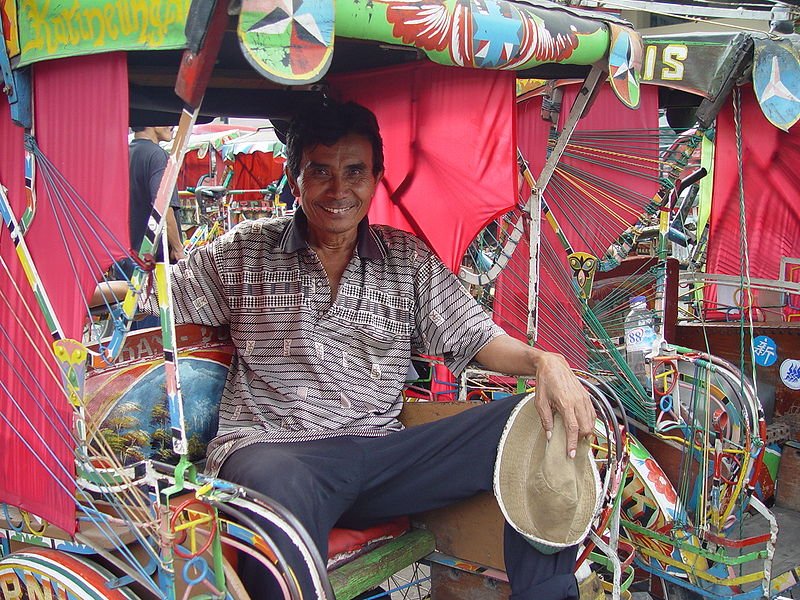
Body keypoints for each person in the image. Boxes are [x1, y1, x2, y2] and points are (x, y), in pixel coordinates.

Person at [111, 100, 595, 598]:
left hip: (381, 455)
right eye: (320, 172)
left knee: (536, 422)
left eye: (355, 172)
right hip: (277, 450)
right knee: (273, 491)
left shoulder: (403, 258)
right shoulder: (244, 251)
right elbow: (152, 295)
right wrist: (80, 290)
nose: (338, 190)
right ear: (295, 177)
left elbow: (475, 335)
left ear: (376, 177)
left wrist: (545, 362)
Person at [120, 125, 186, 329]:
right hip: (152, 264)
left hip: (126, 259)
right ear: (151, 122)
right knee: (157, 336)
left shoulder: (124, 154)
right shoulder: (158, 156)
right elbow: (163, 208)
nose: (172, 127)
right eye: (166, 120)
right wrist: (178, 248)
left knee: (132, 335)